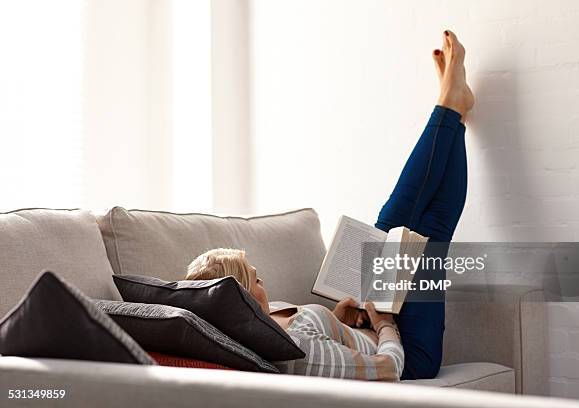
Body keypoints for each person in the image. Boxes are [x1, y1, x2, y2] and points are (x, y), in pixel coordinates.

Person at [186, 30, 473, 381]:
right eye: (255, 279)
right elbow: (387, 370)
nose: (264, 282)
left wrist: (339, 320)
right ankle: (449, 105)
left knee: (413, 225)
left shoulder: (272, 318)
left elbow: (334, 344)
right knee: (417, 228)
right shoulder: (292, 348)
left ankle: (454, 107)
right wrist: (383, 325)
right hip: (410, 353)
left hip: (374, 318)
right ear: (240, 299)